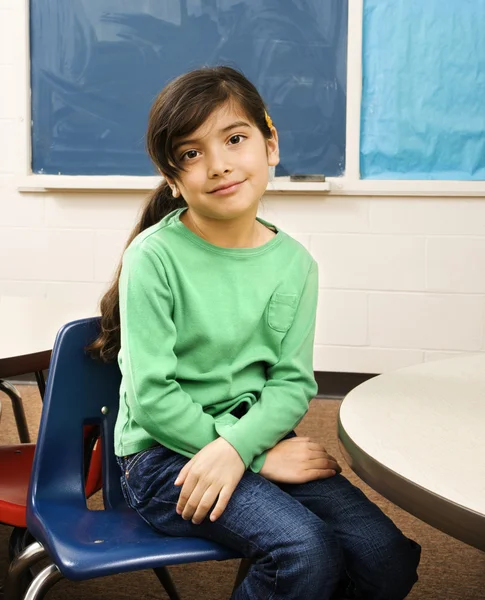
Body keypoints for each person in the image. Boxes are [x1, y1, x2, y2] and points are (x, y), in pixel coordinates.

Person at [88, 66, 421, 600]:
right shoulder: (153, 257)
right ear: (173, 179)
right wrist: (255, 456)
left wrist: (243, 447)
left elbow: (290, 384)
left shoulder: (296, 264)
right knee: (303, 550)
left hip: (251, 437)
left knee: (386, 556)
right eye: (191, 154)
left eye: (235, 139)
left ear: (271, 145)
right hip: (160, 458)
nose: (218, 165)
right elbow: (151, 397)